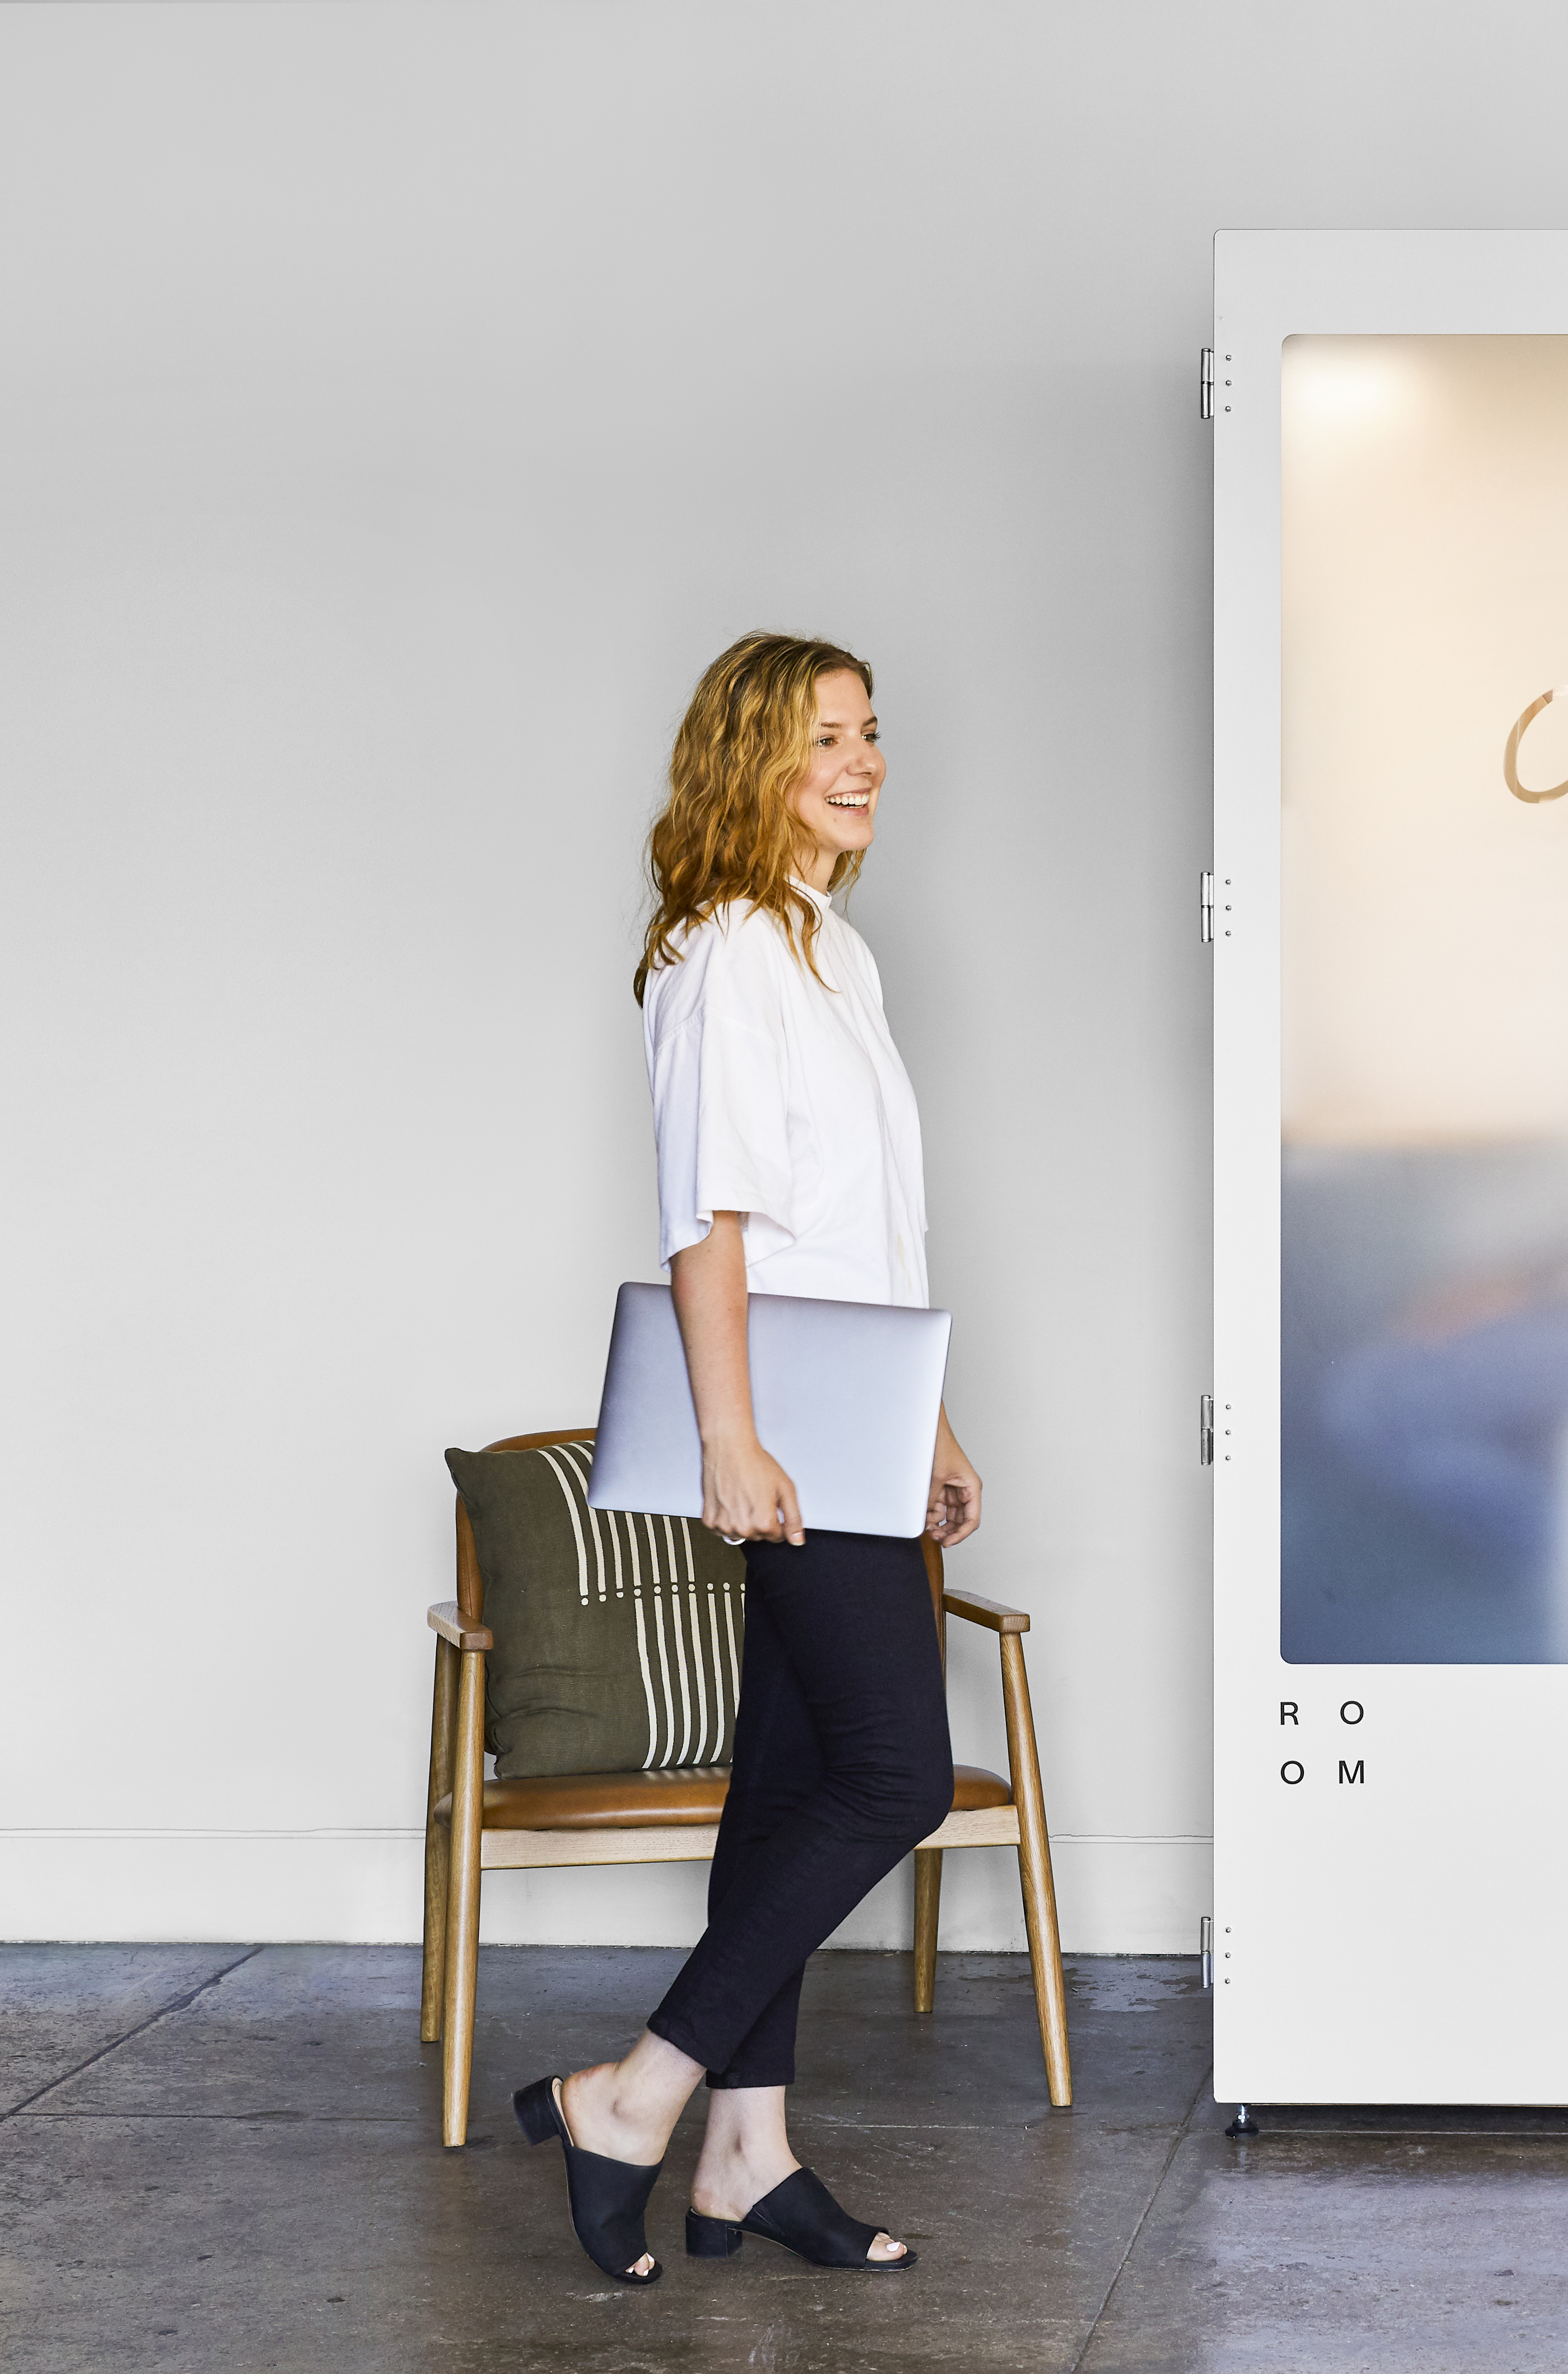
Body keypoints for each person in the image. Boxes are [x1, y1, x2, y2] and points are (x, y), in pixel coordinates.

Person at [515, 633, 982, 2283]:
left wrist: (925, 1415)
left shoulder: (833, 953)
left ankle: (743, 2153)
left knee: (794, 1778)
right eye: (825, 739)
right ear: (751, 763)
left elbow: (862, 1230)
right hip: (778, 1433)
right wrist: (732, 1436)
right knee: (893, 1775)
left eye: (873, 732)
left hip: (850, 1420)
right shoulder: (722, 951)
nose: (863, 763)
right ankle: (629, 2093)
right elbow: (708, 1219)